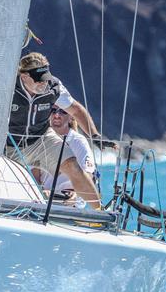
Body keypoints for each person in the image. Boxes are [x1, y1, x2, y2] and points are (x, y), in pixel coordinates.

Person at [6, 52, 101, 209]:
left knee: (73, 166)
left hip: (40, 139)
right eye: (38, 80)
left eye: (45, 78)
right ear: (24, 77)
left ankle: (98, 214)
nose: (43, 84)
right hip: (7, 142)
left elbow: (76, 110)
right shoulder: (8, 86)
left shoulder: (53, 87)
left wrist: (95, 136)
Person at [40, 107, 98, 201]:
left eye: (63, 112)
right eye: (53, 111)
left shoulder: (78, 141)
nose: (57, 115)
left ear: (71, 117)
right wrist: (39, 193)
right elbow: (34, 173)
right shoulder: (41, 139)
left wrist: (74, 194)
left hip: (69, 200)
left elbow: (88, 173)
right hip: (43, 199)